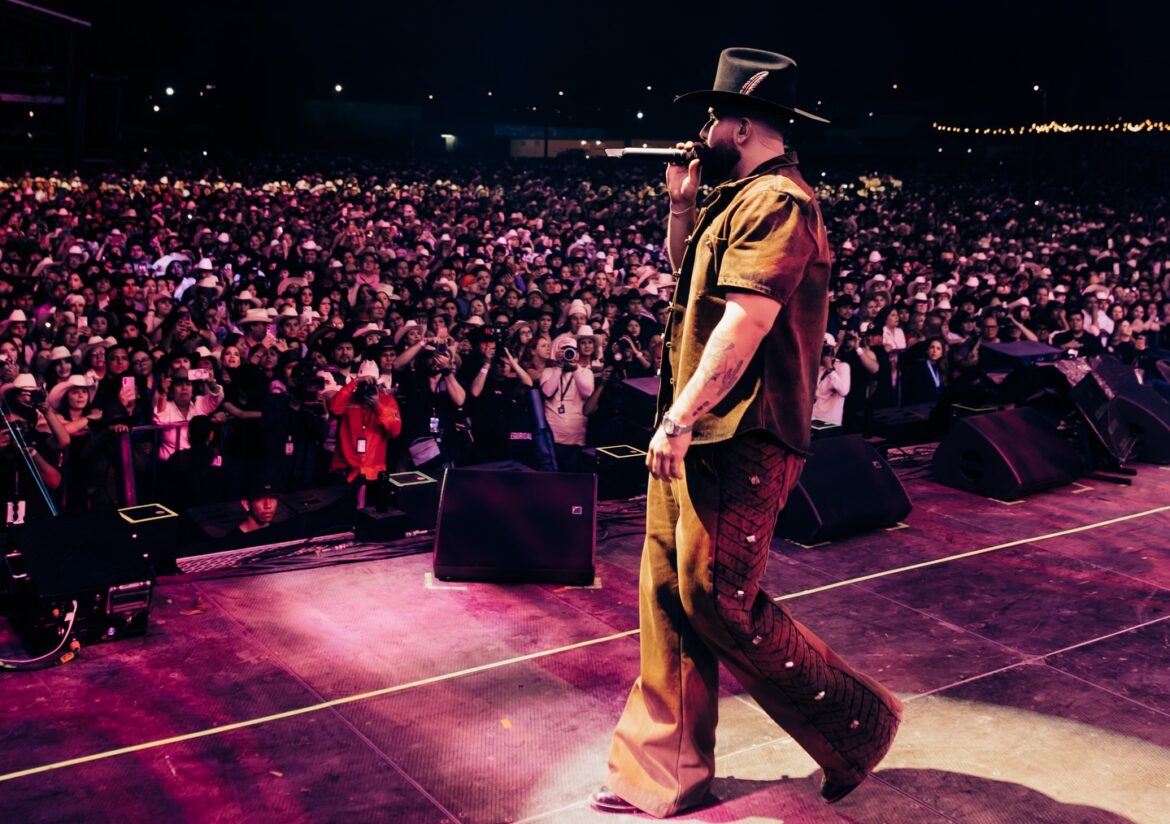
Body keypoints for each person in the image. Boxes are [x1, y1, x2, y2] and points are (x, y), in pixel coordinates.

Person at [594, 48, 901, 818]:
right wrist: (681, 210)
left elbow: (746, 322)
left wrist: (679, 417)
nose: (700, 132)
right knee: (668, 596)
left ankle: (856, 724)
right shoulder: (735, 198)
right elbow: (689, 284)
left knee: (716, 598)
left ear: (738, 124)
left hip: (743, 433)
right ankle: (662, 777)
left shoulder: (781, 202)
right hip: (705, 429)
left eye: (710, 119)